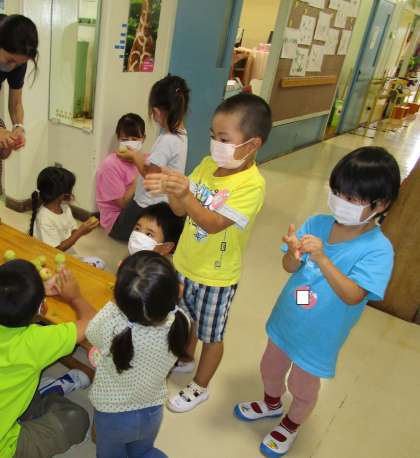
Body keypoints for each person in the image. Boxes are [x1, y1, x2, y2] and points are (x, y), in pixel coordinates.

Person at [233, 147, 401, 457]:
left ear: (381, 204)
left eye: (352, 198)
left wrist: (322, 258)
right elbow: (289, 268)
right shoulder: (318, 222)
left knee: (303, 385)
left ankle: (291, 424)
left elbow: (353, 295)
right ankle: (271, 403)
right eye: (337, 192)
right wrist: (292, 254)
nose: (340, 202)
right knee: (270, 366)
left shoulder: (378, 249)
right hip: (286, 320)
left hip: (319, 337)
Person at [144, 93, 272, 412]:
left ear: (252, 144)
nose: (216, 144)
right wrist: (172, 190)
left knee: (211, 334)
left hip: (216, 276)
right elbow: (180, 211)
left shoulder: (251, 185)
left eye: (224, 139)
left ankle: (200, 386)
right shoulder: (207, 165)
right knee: (185, 317)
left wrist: (185, 194)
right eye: (213, 136)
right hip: (185, 261)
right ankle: (186, 356)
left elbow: (212, 223)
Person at [85, 251, 190, 458]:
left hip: (112, 416)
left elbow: (91, 333)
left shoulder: (112, 326)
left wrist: (117, 296)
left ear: (118, 297)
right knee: (143, 451)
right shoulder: (181, 321)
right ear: (179, 290)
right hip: (152, 410)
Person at [0, 260, 96, 458]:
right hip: (4, 447)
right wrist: (75, 297)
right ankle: (44, 393)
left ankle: (33, 395)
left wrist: (32, 293)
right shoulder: (35, 342)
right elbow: (93, 321)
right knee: (76, 420)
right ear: (39, 310)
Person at [114, 74, 190, 241]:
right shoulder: (181, 134)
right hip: (163, 202)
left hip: (148, 204)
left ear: (156, 111)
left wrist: (135, 156)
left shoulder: (168, 140)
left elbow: (151, 176)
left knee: (131, 239)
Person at [29, 166, 104, 268]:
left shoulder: (65, 208)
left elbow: (73, 231)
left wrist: (85, 229)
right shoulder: (44, 218)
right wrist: (80, 232)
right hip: (53, 261)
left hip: (68, 256)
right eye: (70, 189)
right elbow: (55, 251)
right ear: (60, 194)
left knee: (99, 262)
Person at [96, 113, 146, 238]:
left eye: (134, 139)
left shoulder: (146, 159)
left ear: (143, 138)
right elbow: (123, 204)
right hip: (116, 222)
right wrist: (140, 176)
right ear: (118, 139)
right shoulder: (110, 164)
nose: (130, 144)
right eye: (125, 140)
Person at [0, 14, 39, 160]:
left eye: (19, 63)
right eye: (10, 60)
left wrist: (18, 128)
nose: (12, 67)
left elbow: (16, 103)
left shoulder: (17, 60)